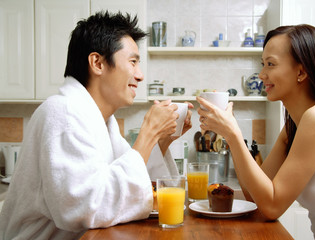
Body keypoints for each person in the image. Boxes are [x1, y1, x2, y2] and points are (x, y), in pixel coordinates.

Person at [0, 11, 193, 239]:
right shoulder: (62, 112)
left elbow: (136, 185)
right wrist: (148, 133)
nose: (140, 75)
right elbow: (83, 208)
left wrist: (161, 141)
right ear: (98, 63)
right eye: (133, 62)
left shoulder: (102, 122)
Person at [197, 24, 315, 240]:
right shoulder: (295, 126)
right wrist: (230, 134)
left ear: (301, 72)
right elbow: (255, 198)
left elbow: (272, 207)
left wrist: (234, 135)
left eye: (271, 64)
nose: (262, 74)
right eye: (263, 64)